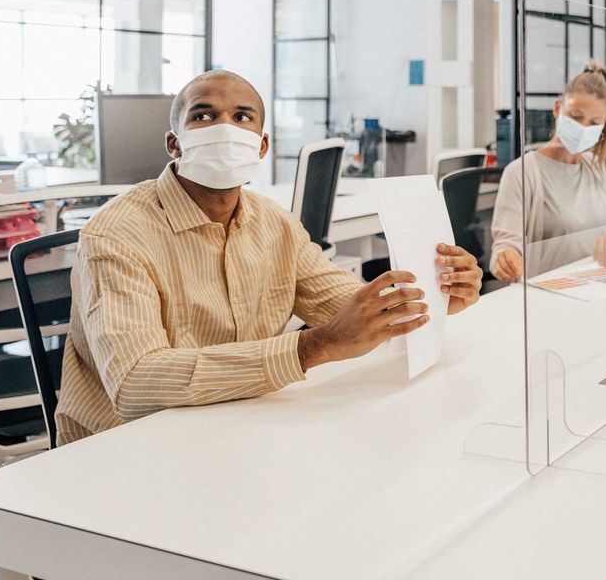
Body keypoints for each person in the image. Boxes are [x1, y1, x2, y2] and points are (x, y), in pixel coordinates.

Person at [55, 70, 483, 445]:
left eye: (242, 117)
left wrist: (427, 297)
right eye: (203, 115)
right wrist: (312, 347)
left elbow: (347, 307)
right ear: (175, 143)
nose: (224, 127)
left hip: (235, 425)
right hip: (124, 448)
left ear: (260, 146)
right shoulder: (117, 234)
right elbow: (135, 382)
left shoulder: (274, 223)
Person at [490, 60, 606, 281]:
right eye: (576, 116)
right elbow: (504, 249)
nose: (583, 128)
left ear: (604, 126)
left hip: (599, 287)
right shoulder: (522, 173)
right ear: (557, 108)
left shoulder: (595, 167)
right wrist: (505, 259)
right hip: (550, 295)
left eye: (594, 123)